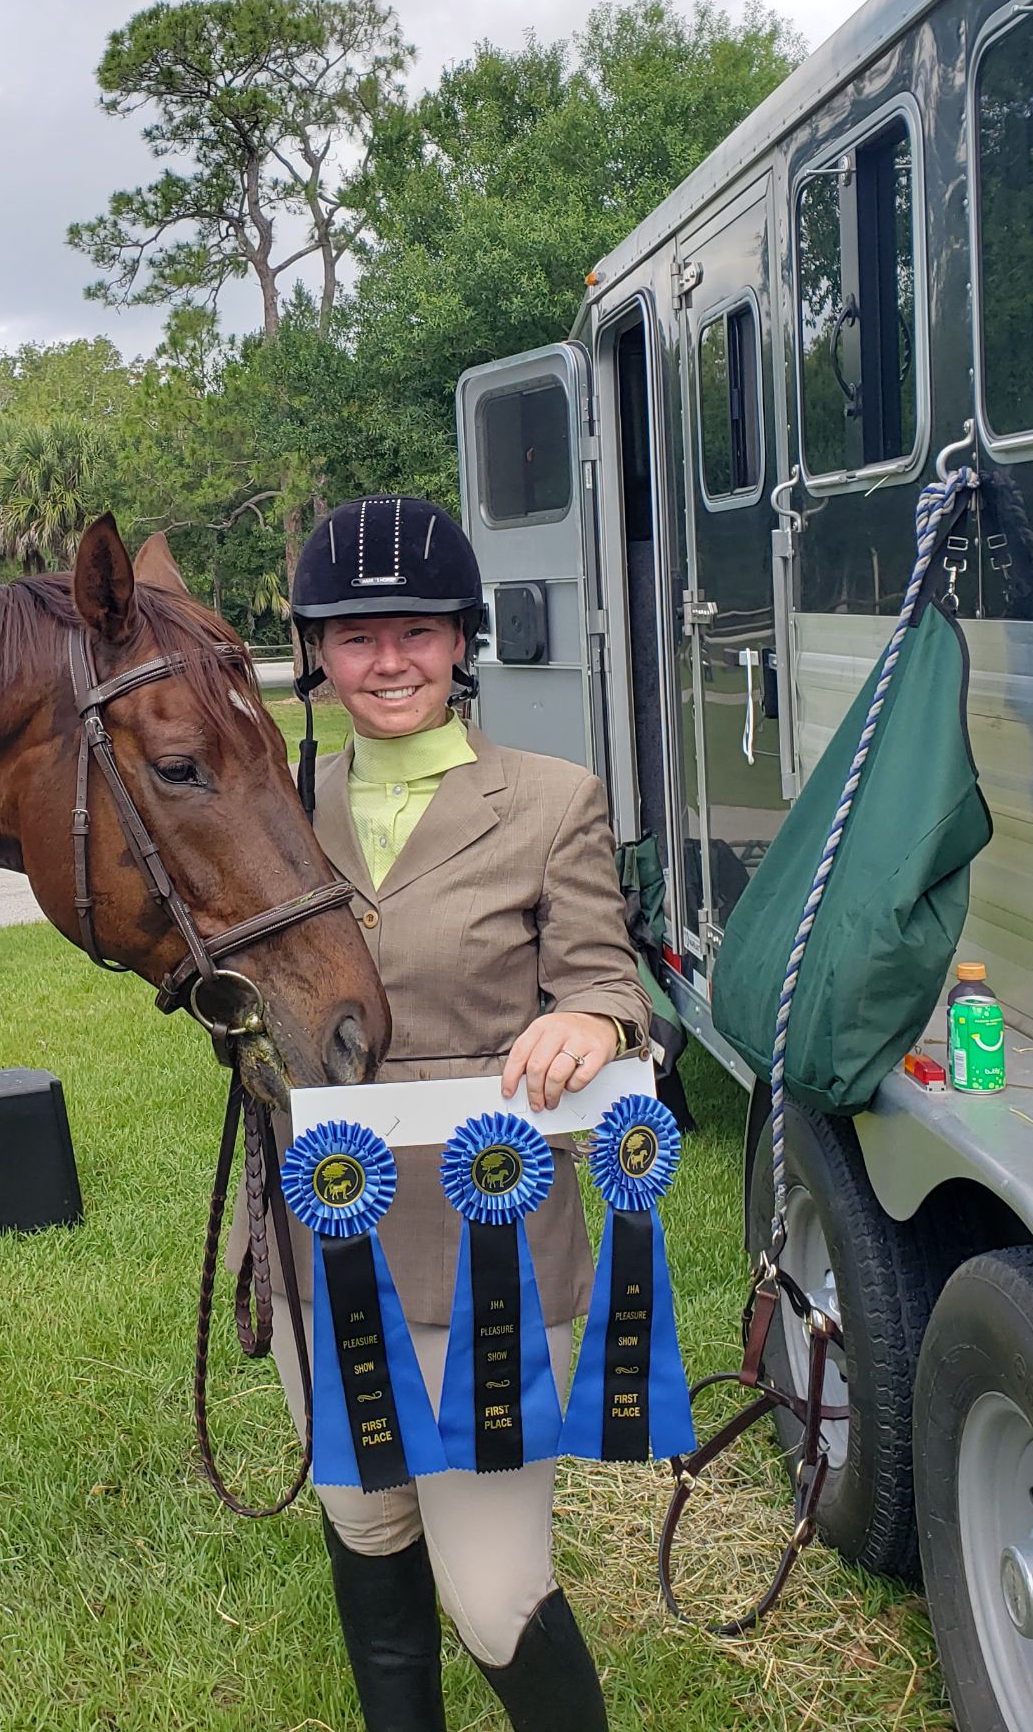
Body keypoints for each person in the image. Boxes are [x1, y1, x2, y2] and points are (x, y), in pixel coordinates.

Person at [259, 494, 652, 1732]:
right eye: (357, 636)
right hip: (312, 1251)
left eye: (418, 632)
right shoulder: (268, 802)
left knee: (491, 1592)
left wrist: (596, 1021)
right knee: (368, 1529)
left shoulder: (547, 801)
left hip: (479, 1258)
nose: (389, 662)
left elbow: (603, 978)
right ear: (318, 652)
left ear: (461, 641)